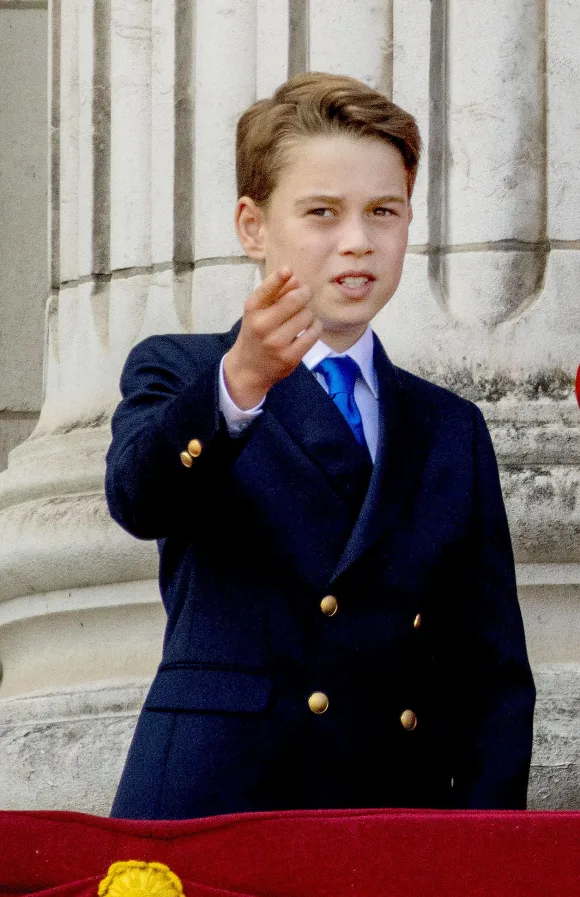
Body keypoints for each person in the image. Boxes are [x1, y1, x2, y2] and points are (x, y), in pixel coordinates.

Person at [106, 72, 536, 820]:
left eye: (383, 212)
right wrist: (239, 382)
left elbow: (491, 674)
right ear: (253, 225)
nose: (358, 242)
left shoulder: (450, 427)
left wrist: (484, 850)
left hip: (390, 811)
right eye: (321, 212)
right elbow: (139, 499)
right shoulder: (182, 370)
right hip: (216, 803)